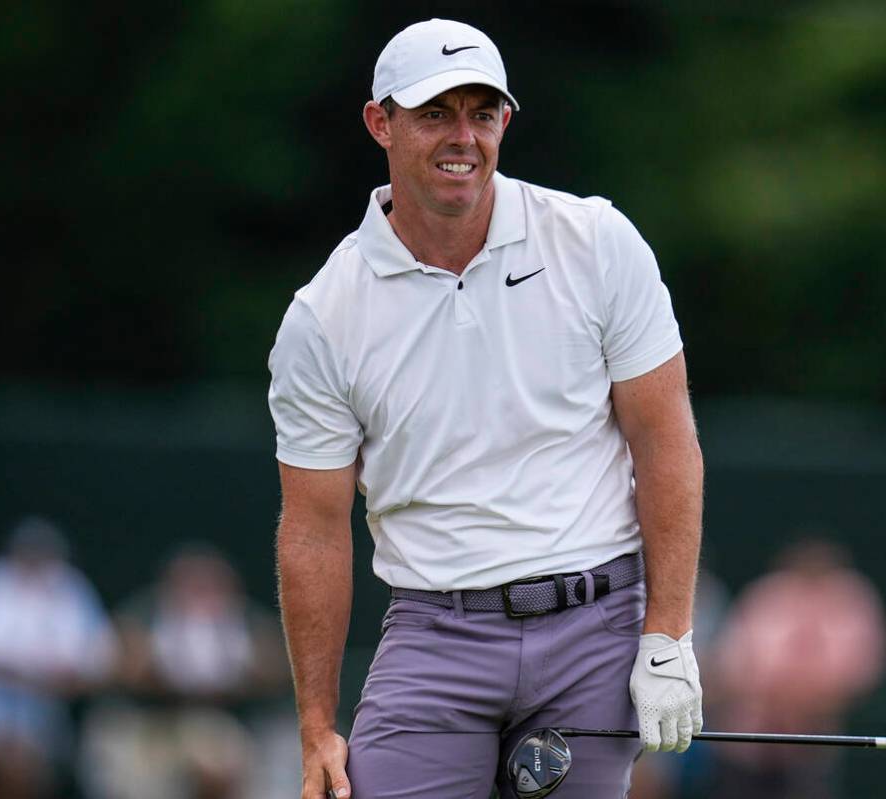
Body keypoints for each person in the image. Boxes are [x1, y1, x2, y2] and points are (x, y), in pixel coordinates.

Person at [267, 18, 703, 799]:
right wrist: (315, 724)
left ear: (505, 121)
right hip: (435, 636)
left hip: (593, 626)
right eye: (434, 113)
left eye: (482, 112)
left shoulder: (595, 242)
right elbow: (313, 525)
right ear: (381, 123)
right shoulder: (324, 314)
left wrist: (666, 635)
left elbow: (664, 440)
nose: (461, 136)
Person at [78, 544, 289, 799]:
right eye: (192, 584)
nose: (200, 594)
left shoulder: (245, 623)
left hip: (221, 722)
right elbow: (117, 668)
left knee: (220, 763)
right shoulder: (143, 618)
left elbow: (276, 669)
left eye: (210, 585)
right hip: (149, 724)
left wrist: (236, 670)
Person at [0, 516, 117, 799]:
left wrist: (66, 678)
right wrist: (10, 673)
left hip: (51, 708)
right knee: (11, 762)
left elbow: (101, 658)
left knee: (37, 764)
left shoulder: (71, 587)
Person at [707, 537, 886, 799]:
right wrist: (768, 698)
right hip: (747, 739)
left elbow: (865, 667)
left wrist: (810, 699)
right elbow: (729, 662)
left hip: (815, 741)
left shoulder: (852, 598)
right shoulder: (765, 595)